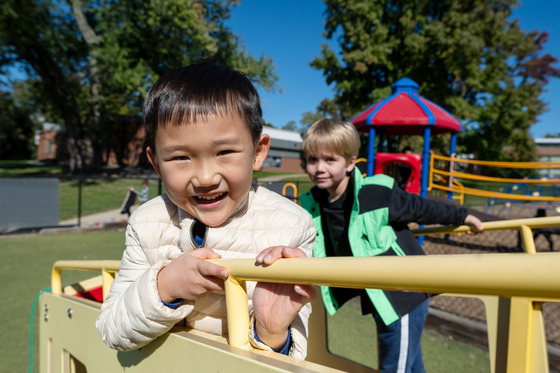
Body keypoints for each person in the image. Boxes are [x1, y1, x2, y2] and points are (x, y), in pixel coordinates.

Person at [96, 62, 316, 359]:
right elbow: (112, 330)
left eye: (224, 152)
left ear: (258, 151)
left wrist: (272, 331)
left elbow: (291, 358)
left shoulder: (292, 226)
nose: (205, 178)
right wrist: (164, 286)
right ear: (156, 162)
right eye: (181, 157)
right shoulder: (147, 222)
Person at [299, 118, 484, 373]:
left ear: (351, 163)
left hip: (404, 296)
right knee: (410, 365)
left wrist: (461, 216)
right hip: (377, 297)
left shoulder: (376, 193)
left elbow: (420, 208)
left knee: (393, 367)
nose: (320, 168)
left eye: (330, 160)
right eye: (312, 160)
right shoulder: (311, 204)